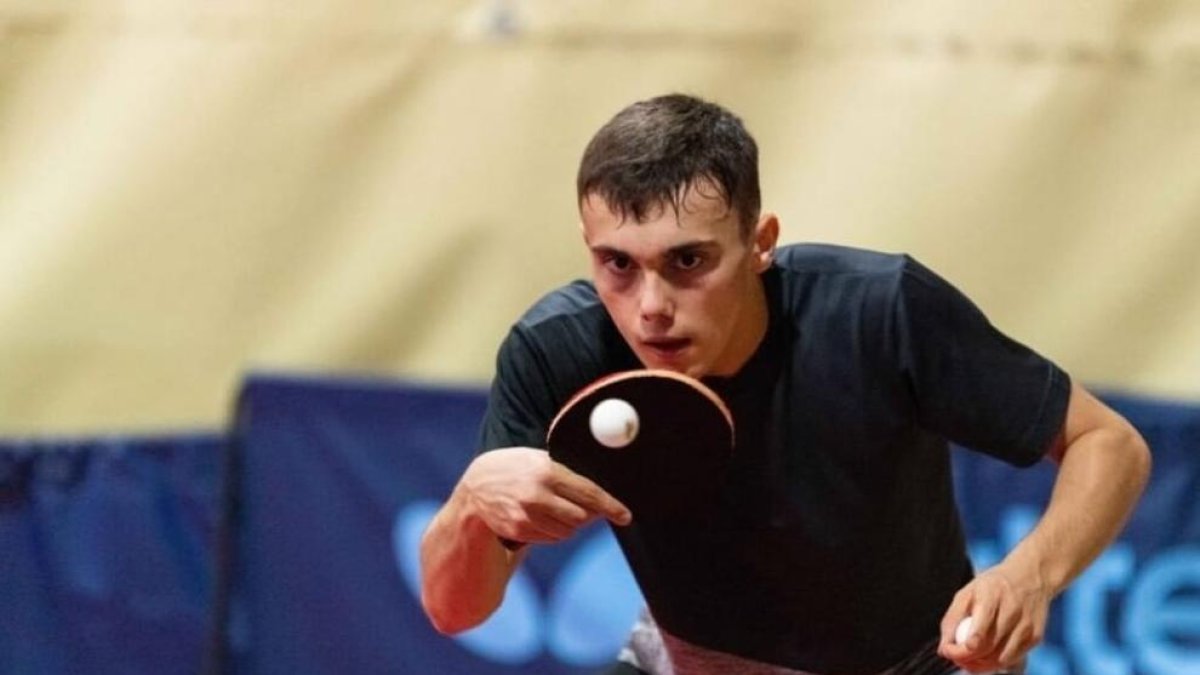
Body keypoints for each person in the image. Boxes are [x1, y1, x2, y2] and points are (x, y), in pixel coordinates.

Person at [419, 93, 1151, 674]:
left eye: (687, 262)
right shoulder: (555, 352)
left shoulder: (880, 310)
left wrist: (1030, 576)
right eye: (617, 264)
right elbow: (455, 610)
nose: (649, 307)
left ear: (760, 242)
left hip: (918, 663)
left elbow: (1108, 443)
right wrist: (470, 505)